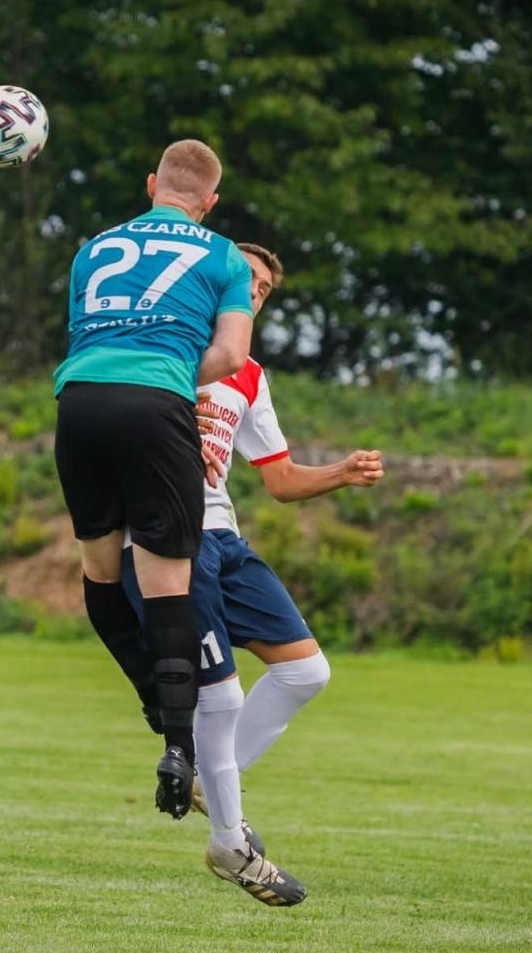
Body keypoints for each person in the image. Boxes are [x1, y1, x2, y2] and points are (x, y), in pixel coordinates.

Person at [121, 243, 384, 906]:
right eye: (246, 278)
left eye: (263, 287)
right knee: (224, 698)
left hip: (225, 540)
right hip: (167, 538)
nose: (253, 291)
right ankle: (230, 843)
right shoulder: (164, 343)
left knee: (306, 671)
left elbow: (281, 479)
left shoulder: (248, 376)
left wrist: (341, 474)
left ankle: (218, 776)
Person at [53, 139, 255, 820]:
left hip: (78, 402)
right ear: (211, 202)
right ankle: (178, 743)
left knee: (102, 573)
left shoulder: (93, 248)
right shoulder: (224, 255)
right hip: (155, 407)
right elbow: (229, 353)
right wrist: (170, 377)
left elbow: (92, 335)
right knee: (167, 584)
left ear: (151, 185)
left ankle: (151, 695)